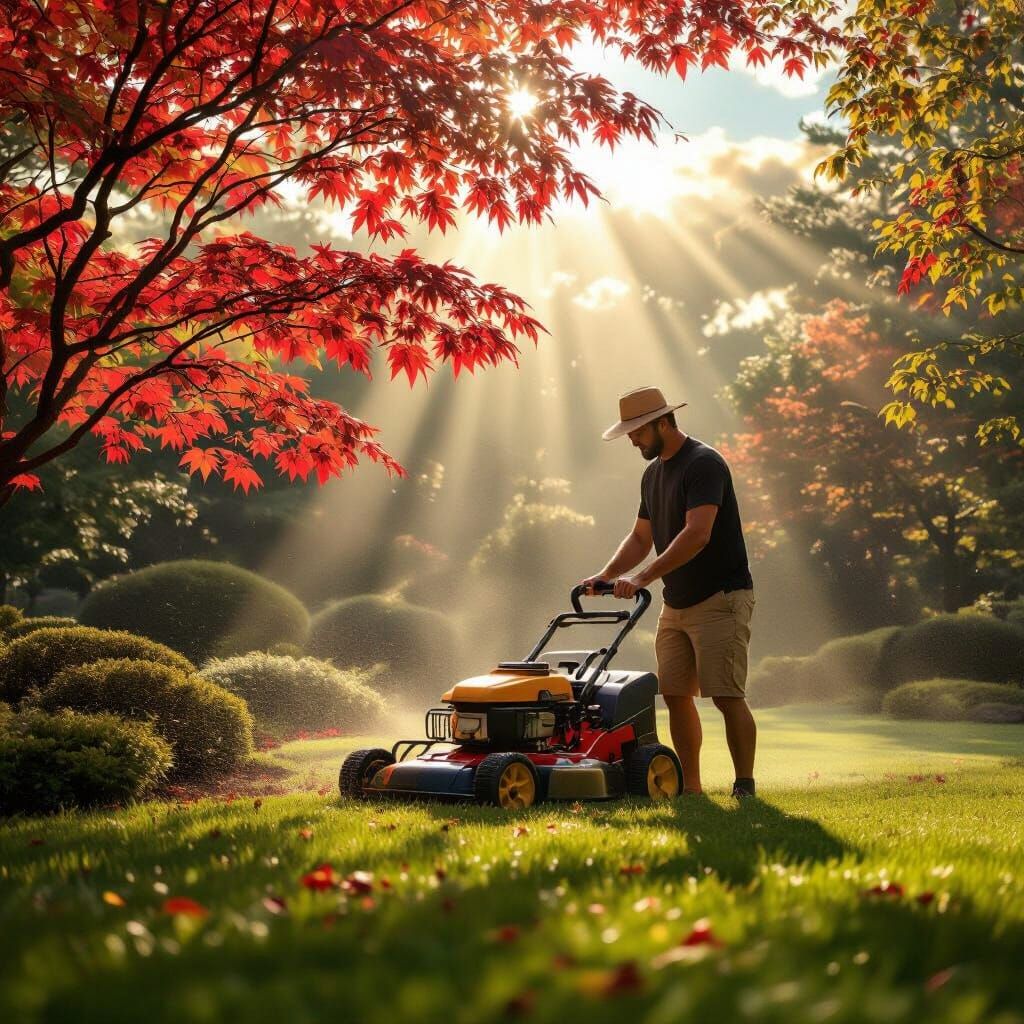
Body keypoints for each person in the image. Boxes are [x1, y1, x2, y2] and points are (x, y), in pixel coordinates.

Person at [581, 385, 758, 798]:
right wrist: (606, 575)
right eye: (629, 432)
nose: (632, 440)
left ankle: (744, 785)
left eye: (638, 431)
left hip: (721, 598)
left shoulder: (704, 463)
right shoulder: (653, 474)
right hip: (676, 602)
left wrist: (642, 578)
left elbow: (697, 534)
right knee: (676, 695)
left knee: (726, 696)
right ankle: (691, 789)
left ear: (663, 423)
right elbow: (640, 538)